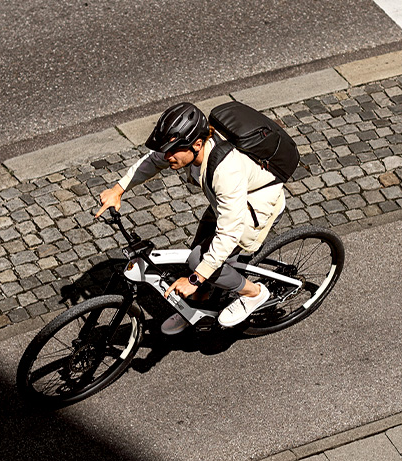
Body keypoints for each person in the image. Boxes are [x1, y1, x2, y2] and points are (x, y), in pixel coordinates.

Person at [96, 102, 286, 335]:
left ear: (197, 144)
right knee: (197, 251)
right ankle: (197, 304)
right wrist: (118, 189)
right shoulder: (190, 150)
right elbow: (153, 160)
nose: (167, 156)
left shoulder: (226, 171)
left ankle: (252, 293)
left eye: (172, 150)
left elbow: (230, 232)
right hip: (227, 203)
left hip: (253, 208)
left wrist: (194, 279)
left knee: (199, 261)